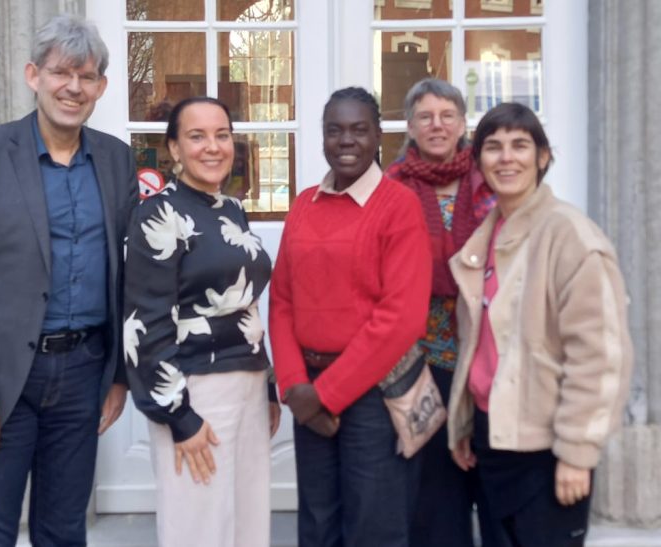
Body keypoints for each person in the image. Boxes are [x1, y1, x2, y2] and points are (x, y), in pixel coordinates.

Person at [0, 15, 138, 546]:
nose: (73, 87)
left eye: (86, 76)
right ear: (33, 75)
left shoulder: (116, 159)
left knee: (64, 531)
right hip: (1, 380)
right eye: (61, 72)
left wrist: (118, 375)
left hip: (83, 373)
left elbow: (124, 274)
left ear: (101, 87)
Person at [448, 102, 633, 546]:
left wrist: (577, 453)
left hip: (546, 449)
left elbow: (599, 354)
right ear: (478, 162)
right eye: (493, 147)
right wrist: (465, 421)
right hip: (493, 438)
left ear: (543, 156)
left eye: (520, 145)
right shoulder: (488, 236)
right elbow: (481, 345)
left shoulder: (570, 236)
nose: (506, 158)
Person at [269, 87, 432, 546]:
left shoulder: (398, 205)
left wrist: (326, 395)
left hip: (373, 397)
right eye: (334, 130)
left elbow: (401, 318)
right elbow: (282, 300)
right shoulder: (304, 204)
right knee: (318, 525)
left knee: (373, 527)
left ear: (378, 136)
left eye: (359, 130)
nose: (346, 141)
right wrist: (294, 386)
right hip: (308, 390)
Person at [122, 96, 280, 547]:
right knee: (199, 527)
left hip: (248, 385)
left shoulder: (230, 209)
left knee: (248, 524)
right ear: (174, 148)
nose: (213, 146)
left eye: (222, 135)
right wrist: (178, 416)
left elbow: (246, 305)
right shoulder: (158, 213)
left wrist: (268, 385)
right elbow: (145, 323)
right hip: (195, 391)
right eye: (197, 136)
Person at [383, 78, 496, 547]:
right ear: (409, 126)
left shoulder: (490, 181)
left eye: (447, 115)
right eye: (425, 116)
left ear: (462, 123)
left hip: (484, 352)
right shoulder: (391, 187)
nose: (437, 125)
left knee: (489, 481)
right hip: (420, 359)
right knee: (434, 495)